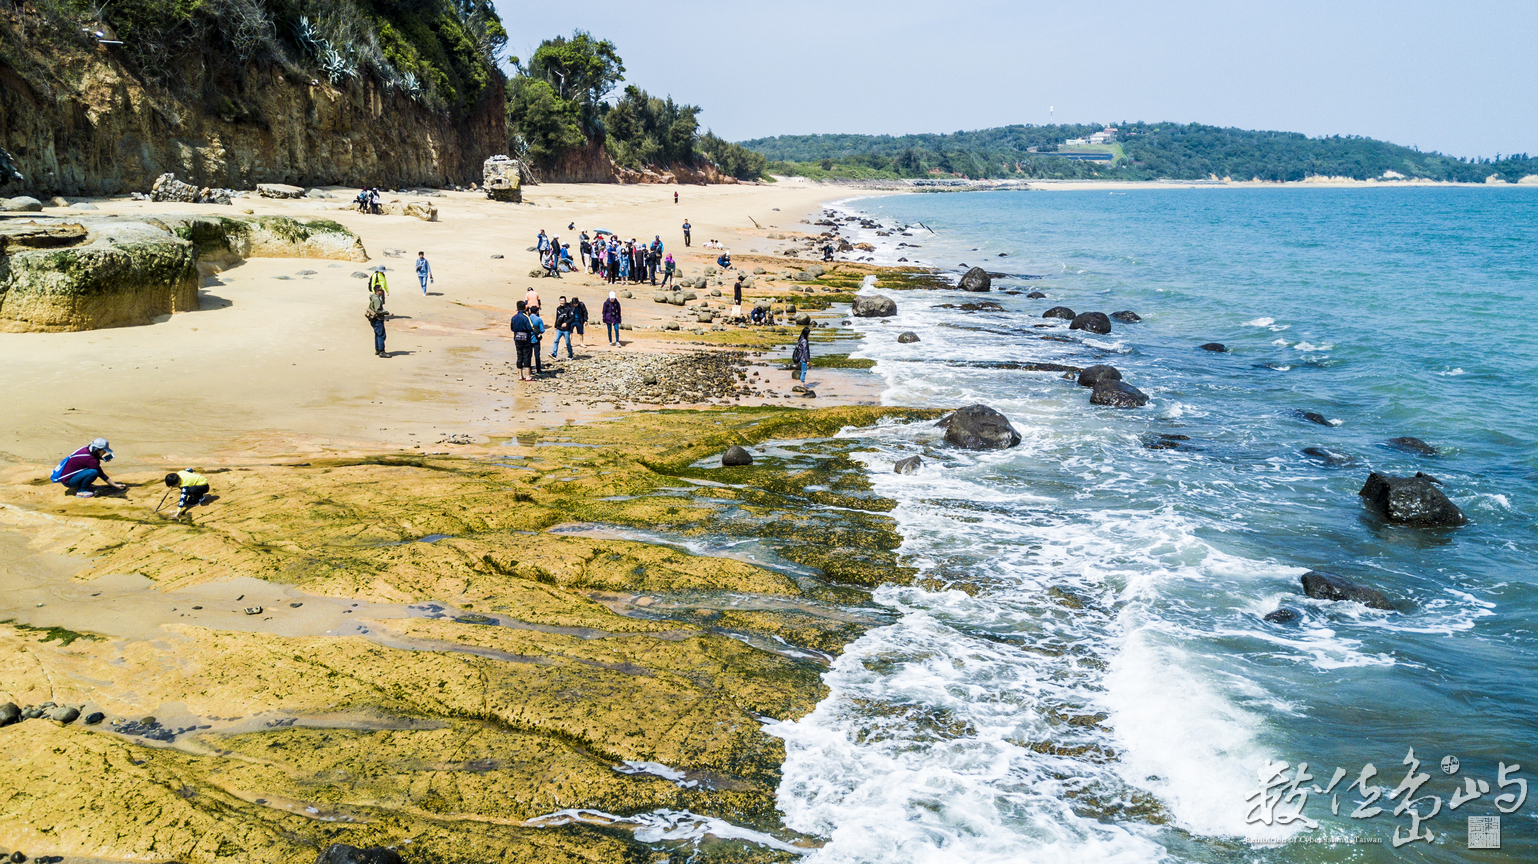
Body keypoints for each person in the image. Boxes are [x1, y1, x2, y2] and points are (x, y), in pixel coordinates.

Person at [50, 438, 123, 498]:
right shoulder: (92, 461)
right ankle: (81, 491)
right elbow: (101, 474)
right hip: (69, 481)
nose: (105, 453)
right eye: (104, 451)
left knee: (91, 470)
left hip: (67, 477)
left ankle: (82, 485)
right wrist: (115, 485)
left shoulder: (85, 449)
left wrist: (100, 458)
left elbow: (86, 460)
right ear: (98, 450)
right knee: (93, 472)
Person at [510, 300, 535, 381]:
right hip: (526, 339)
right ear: (524, 307)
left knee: (519, 356)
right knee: (527, 356)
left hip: (517, 338)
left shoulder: (514, 317)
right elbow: (530, 328)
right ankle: (528, 376)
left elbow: (512, 328)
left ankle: (520, 375)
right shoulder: (525, 317)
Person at [366, 283, 388, 357]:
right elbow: (378, 310)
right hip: (377, 319)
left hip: (374, 320)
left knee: (377, 334)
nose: (382, 292)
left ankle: (378, 349)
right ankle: (381, 351)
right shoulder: (376, 299)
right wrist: (388, 313)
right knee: (381, 335)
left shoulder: (374, 297)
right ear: (378, 291)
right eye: (381, 290)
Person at [528, 303, 546, 375]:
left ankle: (528, 369)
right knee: (537, 355)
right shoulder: (538, 319)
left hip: (528, 339)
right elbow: (542, 330)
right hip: (535, 339)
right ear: (537, 311)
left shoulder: (527, 318)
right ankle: (538, 370)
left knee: (528, 355)